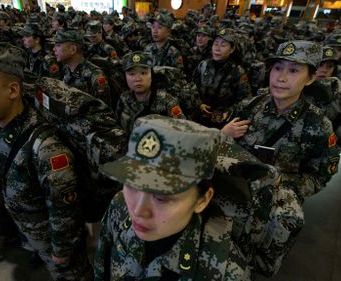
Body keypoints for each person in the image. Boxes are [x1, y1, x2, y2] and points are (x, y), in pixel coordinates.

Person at [0, 38, 93, 281]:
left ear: (12, 90)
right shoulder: (2, 127)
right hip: (32, 232)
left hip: (54, 245)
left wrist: (62, 251)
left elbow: (65, 210)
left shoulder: (46, 149)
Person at [94, 115, 257, 280]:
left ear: (202, 200)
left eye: (161, 198)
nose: (138, 210)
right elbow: (102, 268)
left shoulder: (227, 273)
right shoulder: (119, 205)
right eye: (131, 186)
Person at [221, 40, 341, 201]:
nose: (281, 78)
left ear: (310, 78)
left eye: (293, 70)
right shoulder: (249, 106)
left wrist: (280, 182)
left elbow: (319, 177)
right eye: (277, 68)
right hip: (233, 192)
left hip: (274, 201)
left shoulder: (318, 125)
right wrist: (223, 135)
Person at [115, 52, 185, 134]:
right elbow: (117, 127)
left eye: (143, 73)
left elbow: (183, 132)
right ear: (125, 77)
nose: (137, 79)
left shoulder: (167, 102)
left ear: (152, 75)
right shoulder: (123, 99)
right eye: (132, 74)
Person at [194, 28, 251, 128]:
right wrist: (199, 103)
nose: (217, 48)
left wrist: (229, 112)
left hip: (222, 123)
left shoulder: (237, 72)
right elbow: (192, 87)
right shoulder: (203, 65)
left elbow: (245, 100)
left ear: (232, 49)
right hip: (198, 117)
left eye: (223, 45)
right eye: (215, 44)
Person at [53, 29, 112, 106]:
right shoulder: (66, 68)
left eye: (58, 45)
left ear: (73, 49)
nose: (54, 49)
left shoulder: (95, 75)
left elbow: (104, 112)